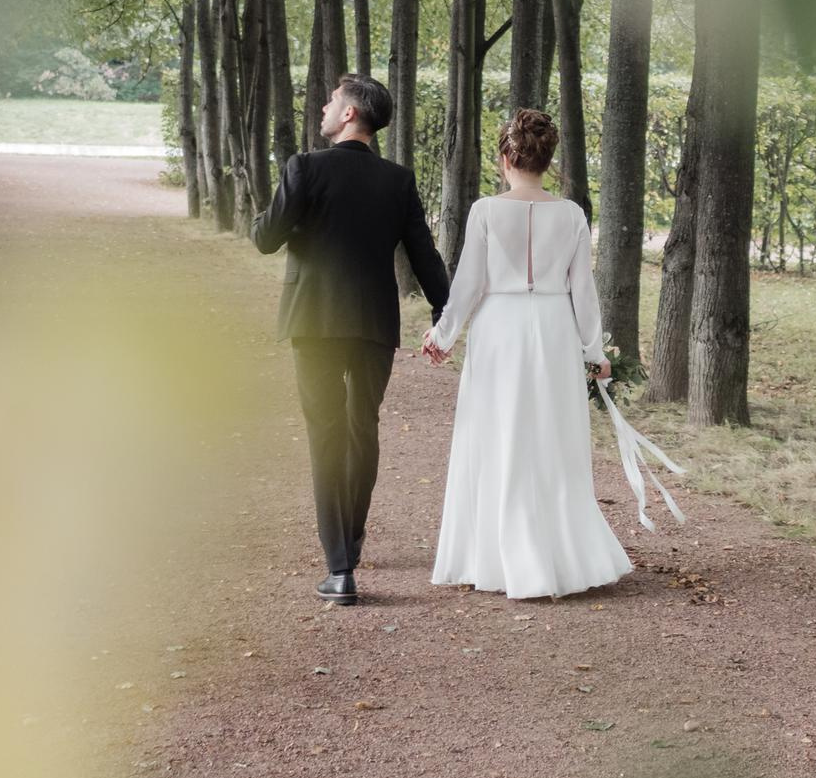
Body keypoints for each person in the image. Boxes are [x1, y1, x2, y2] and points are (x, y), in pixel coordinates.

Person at [419, 108, 634, 600]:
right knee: (552, 435)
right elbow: (584, 291)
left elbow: (469, 283)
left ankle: (495, 556)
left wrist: (443, 335)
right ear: (547, 160)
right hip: (555, 327)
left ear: (506, 158)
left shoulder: (485, 211)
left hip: (500, 328)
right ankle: (560, 555)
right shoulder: (572, 214)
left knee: (496, 433)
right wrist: (594, 350)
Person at [253, 73, 450, 606]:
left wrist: (286, 214)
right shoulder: (398, 180)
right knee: (363, 429)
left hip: (313, 321)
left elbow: (265, 238)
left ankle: (339, 568)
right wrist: (444, 313)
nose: (323, 106)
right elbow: (423, 253)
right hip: (372, 323)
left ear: (348, 114)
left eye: (331, 101)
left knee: (326, 433)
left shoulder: (304, 168)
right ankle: (352, 540)